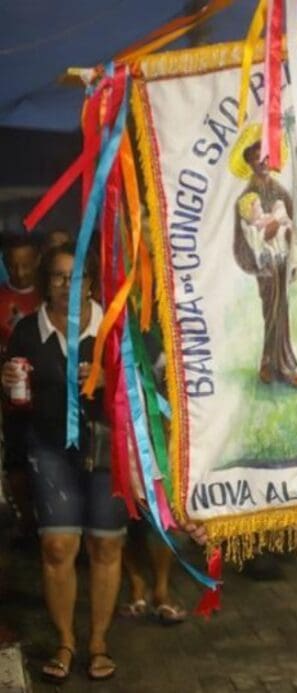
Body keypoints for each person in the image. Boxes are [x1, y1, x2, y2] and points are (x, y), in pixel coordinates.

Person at [2, 244, 126, 682]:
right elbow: (16, 398)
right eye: (57, 276)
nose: (66, 285)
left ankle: (98, 643)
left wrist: (110, 378)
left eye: (76, 277)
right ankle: (65, 642)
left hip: (106, 447)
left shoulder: (112, 324)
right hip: (50, 448)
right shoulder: (27, 331)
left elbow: (144, 385)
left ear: (90, 282)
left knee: (105, 546)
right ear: (46, 282)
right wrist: (7, 381)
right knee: (57, 547)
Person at [231, 136, 297, 388]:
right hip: (265, 265)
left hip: (282, 260)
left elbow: (293, 228)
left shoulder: (281, 192)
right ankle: (269, 363)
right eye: (255, 158)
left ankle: (285, 365)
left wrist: (292, 257)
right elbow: (242, 239)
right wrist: (258, 266)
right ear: (249, 163)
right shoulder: (245, 199)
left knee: (282, 312)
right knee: (270, 312)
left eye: (265, 157)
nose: (261, 163)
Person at [0, 234, 42, 543]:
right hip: (12, 394)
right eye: (13, 265)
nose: (20, 272)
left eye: (26, 264)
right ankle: (26, 522)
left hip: (48, 395)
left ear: (38, 260)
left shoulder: (48, 295)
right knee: (15, 460)